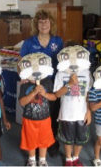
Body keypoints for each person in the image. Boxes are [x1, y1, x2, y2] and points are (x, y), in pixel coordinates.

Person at [20, 10, 64, 156]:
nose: (44, 24)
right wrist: (24, 77)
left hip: (53, 84)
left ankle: (50, 144)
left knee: (52, 114)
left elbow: (63, 63)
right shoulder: (28, 43)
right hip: (34, 84)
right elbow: (21, 64)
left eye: (46, 21)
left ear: (51, 23)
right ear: (36, 24)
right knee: (37, 115)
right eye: (40, 21)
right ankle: (36, 146)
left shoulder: (58, 41)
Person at [53, 45, 92, 166]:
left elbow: (88, 93)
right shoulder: (60, 74)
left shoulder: (86, 73)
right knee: (67, 138)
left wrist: (89, 111)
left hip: (82, 113)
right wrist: (69, 84)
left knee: (80, 138)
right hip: (66, 113)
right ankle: (68, 159)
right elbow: (57, 94)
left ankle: (76, 157)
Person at [18, 61, 57, 166]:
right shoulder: (25, 85)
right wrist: (33, 92)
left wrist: (44, 93)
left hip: (44, 118)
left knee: (44, 140)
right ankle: (31, 159)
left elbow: (54, 97)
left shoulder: (47, 82)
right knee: (30, 140)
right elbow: (22, 102)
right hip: (29, 119)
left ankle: (42, 160)